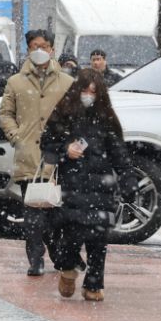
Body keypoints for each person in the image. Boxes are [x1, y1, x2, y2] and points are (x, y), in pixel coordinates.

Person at [41, 68, 138, 301]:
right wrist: (65, 150)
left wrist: (128, 183)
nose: (88, 95)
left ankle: (94, 283)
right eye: (84, 90)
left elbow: (120, 155)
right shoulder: (63, 115)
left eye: (93, 92)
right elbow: (47, 144)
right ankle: (68, 267)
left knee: (98, 239)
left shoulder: (106, 120)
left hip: (101, 189)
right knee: (68, 237)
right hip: (71, 187)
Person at [0, 29, 75, 275]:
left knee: (54, 215)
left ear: (52, 49)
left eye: (43, 46)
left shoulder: (67, 82)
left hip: (59, 160)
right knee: (32, 217)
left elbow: (79, 118)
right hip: (28, 157)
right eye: (33, 46)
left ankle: (57, 253)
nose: (38, 50)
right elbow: (5, 113)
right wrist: (16, 135)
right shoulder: (16, 82)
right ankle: (35, 259)